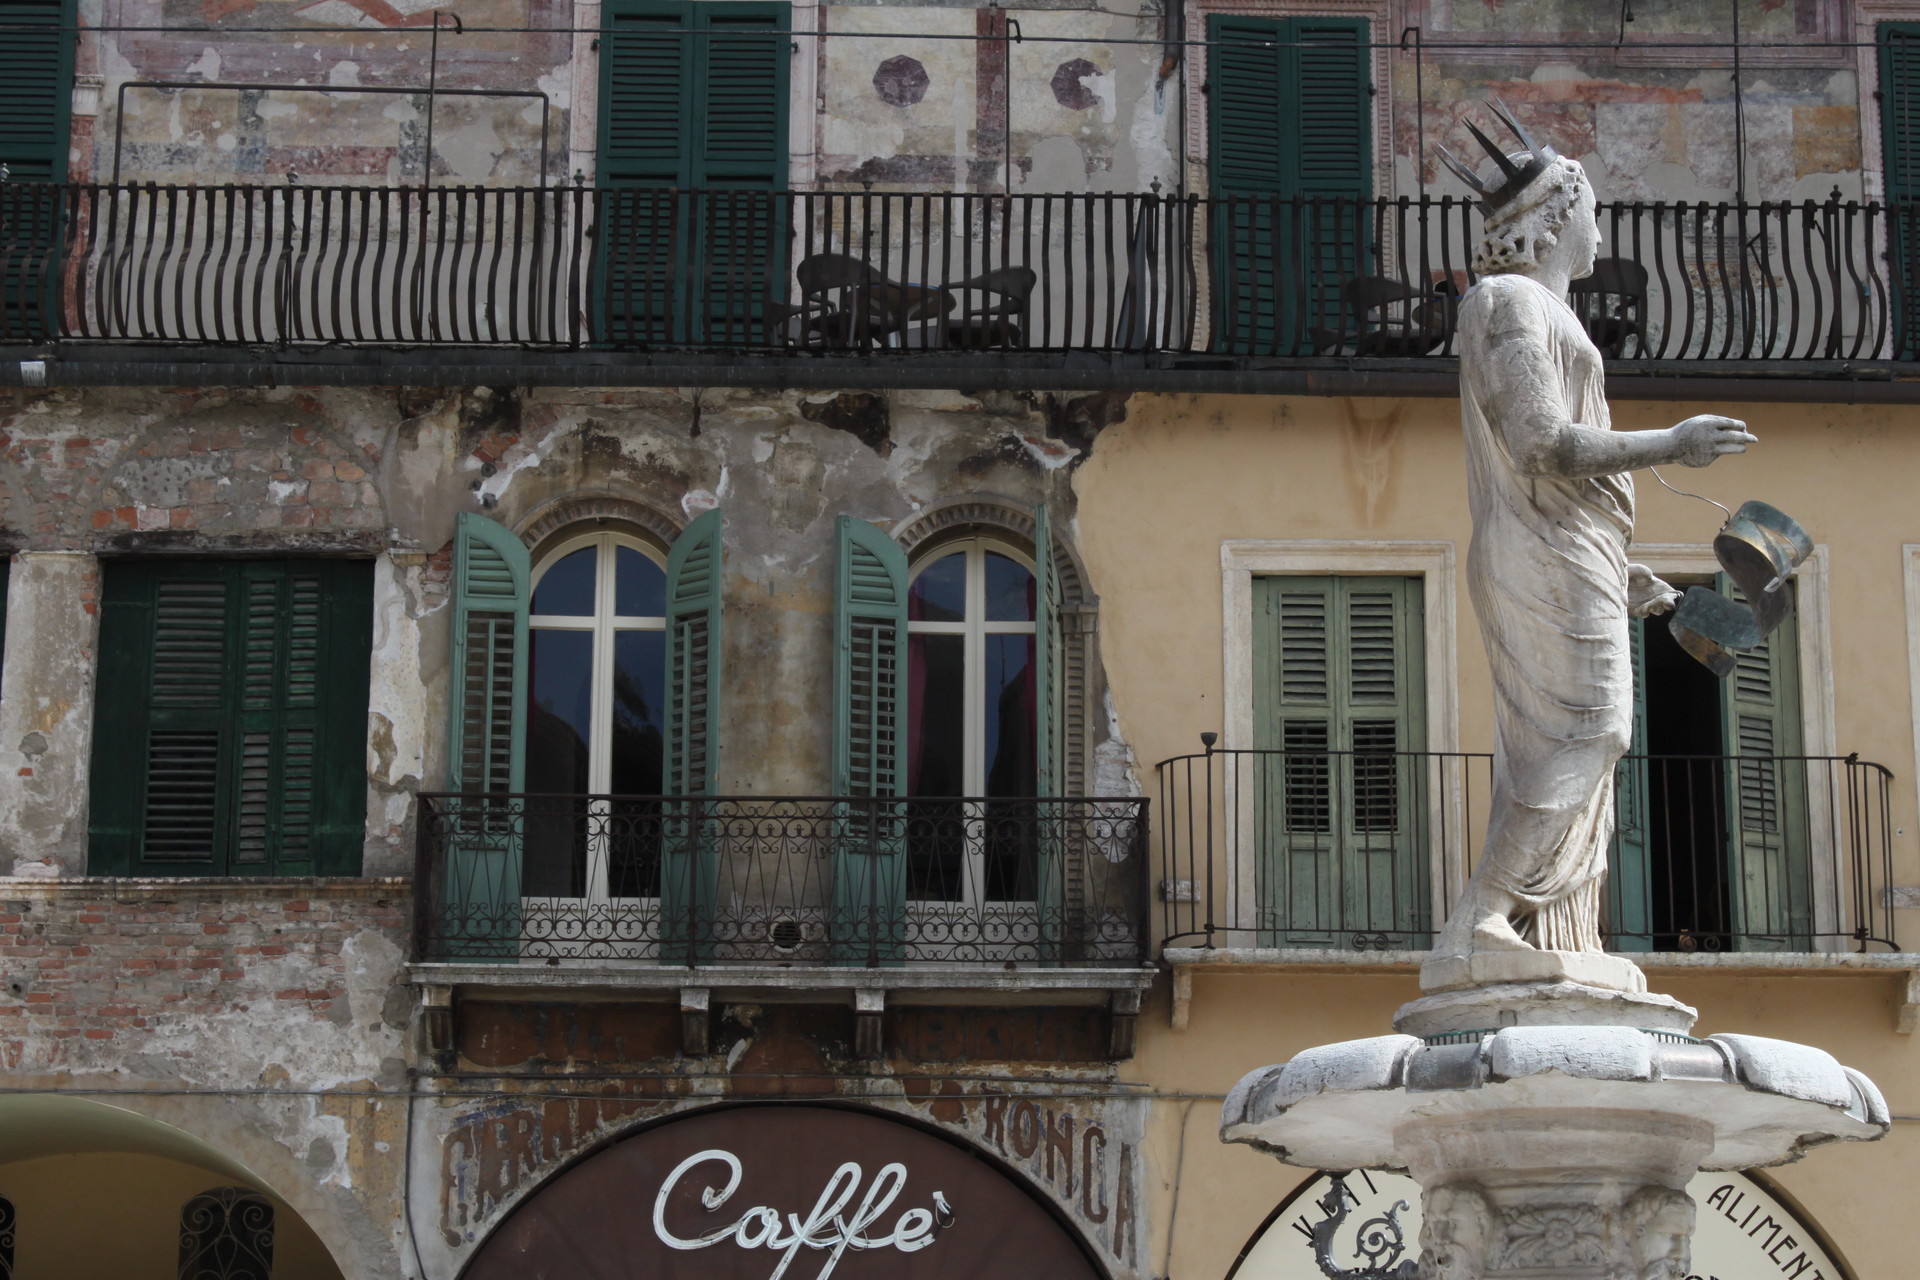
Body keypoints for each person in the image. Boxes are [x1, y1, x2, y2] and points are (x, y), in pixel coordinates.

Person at [1433, 135, 1755, 961]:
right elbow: (1541, 443)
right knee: (1595, 728)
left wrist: (1622, 569)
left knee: (1575, 741)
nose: (1603, 234)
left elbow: (1563, 466)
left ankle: (1536, 932)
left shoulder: (1551, 312)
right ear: (1553, 219)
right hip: (1537, 544)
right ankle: (1482, 919)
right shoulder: (1509, 301)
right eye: (1595, 213)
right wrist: (1673, 443)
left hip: (1575, 547)